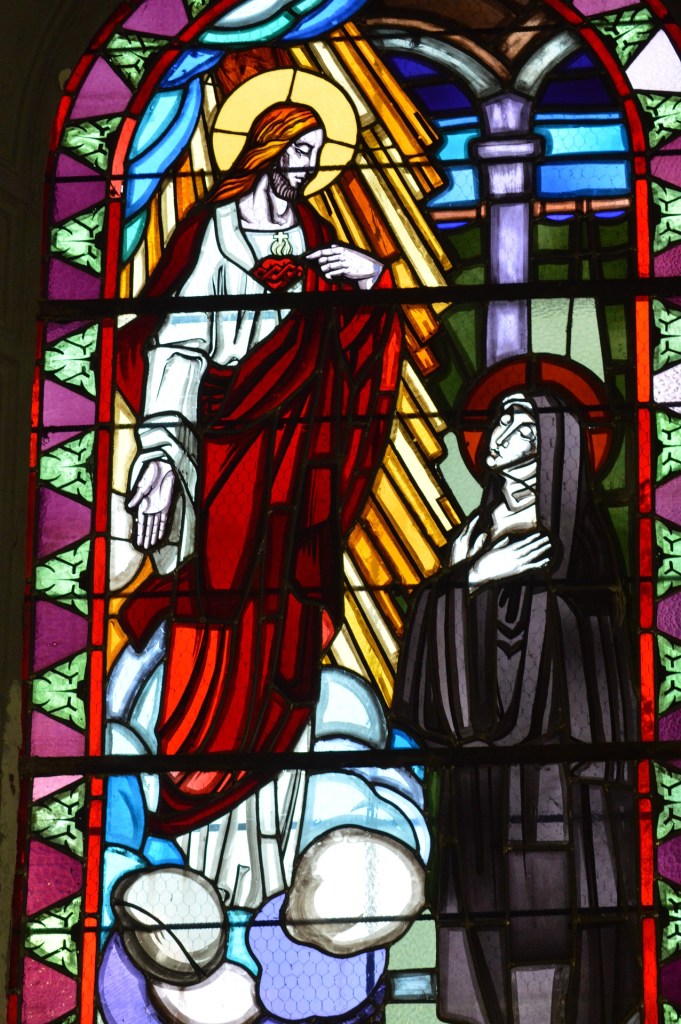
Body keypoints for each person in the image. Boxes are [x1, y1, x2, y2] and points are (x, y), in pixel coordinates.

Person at [113, 99, 401, 837]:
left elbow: (350, 348)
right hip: (221, 442)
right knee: (211, 600)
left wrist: (372, 279)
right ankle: (190, 765)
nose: (308, 167)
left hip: (297, 454)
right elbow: (178, 343)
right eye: (299, 150)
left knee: (283, 604)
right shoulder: (216, 227)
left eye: (317, 154)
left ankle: (266, 774)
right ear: (266, 147)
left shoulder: (316, 240)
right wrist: (159, 454)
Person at [392, 388, 640, 1024]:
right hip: (476, 778)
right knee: (481, 921)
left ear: (553, 447)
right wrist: (471, 579)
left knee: (553, 926)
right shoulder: (471, 536)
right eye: (502, 415)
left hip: (554, 779)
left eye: (523, 423)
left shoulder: (576, 544)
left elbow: (579, 649)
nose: (503, 430)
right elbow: (426, 662)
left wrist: (487, 586)